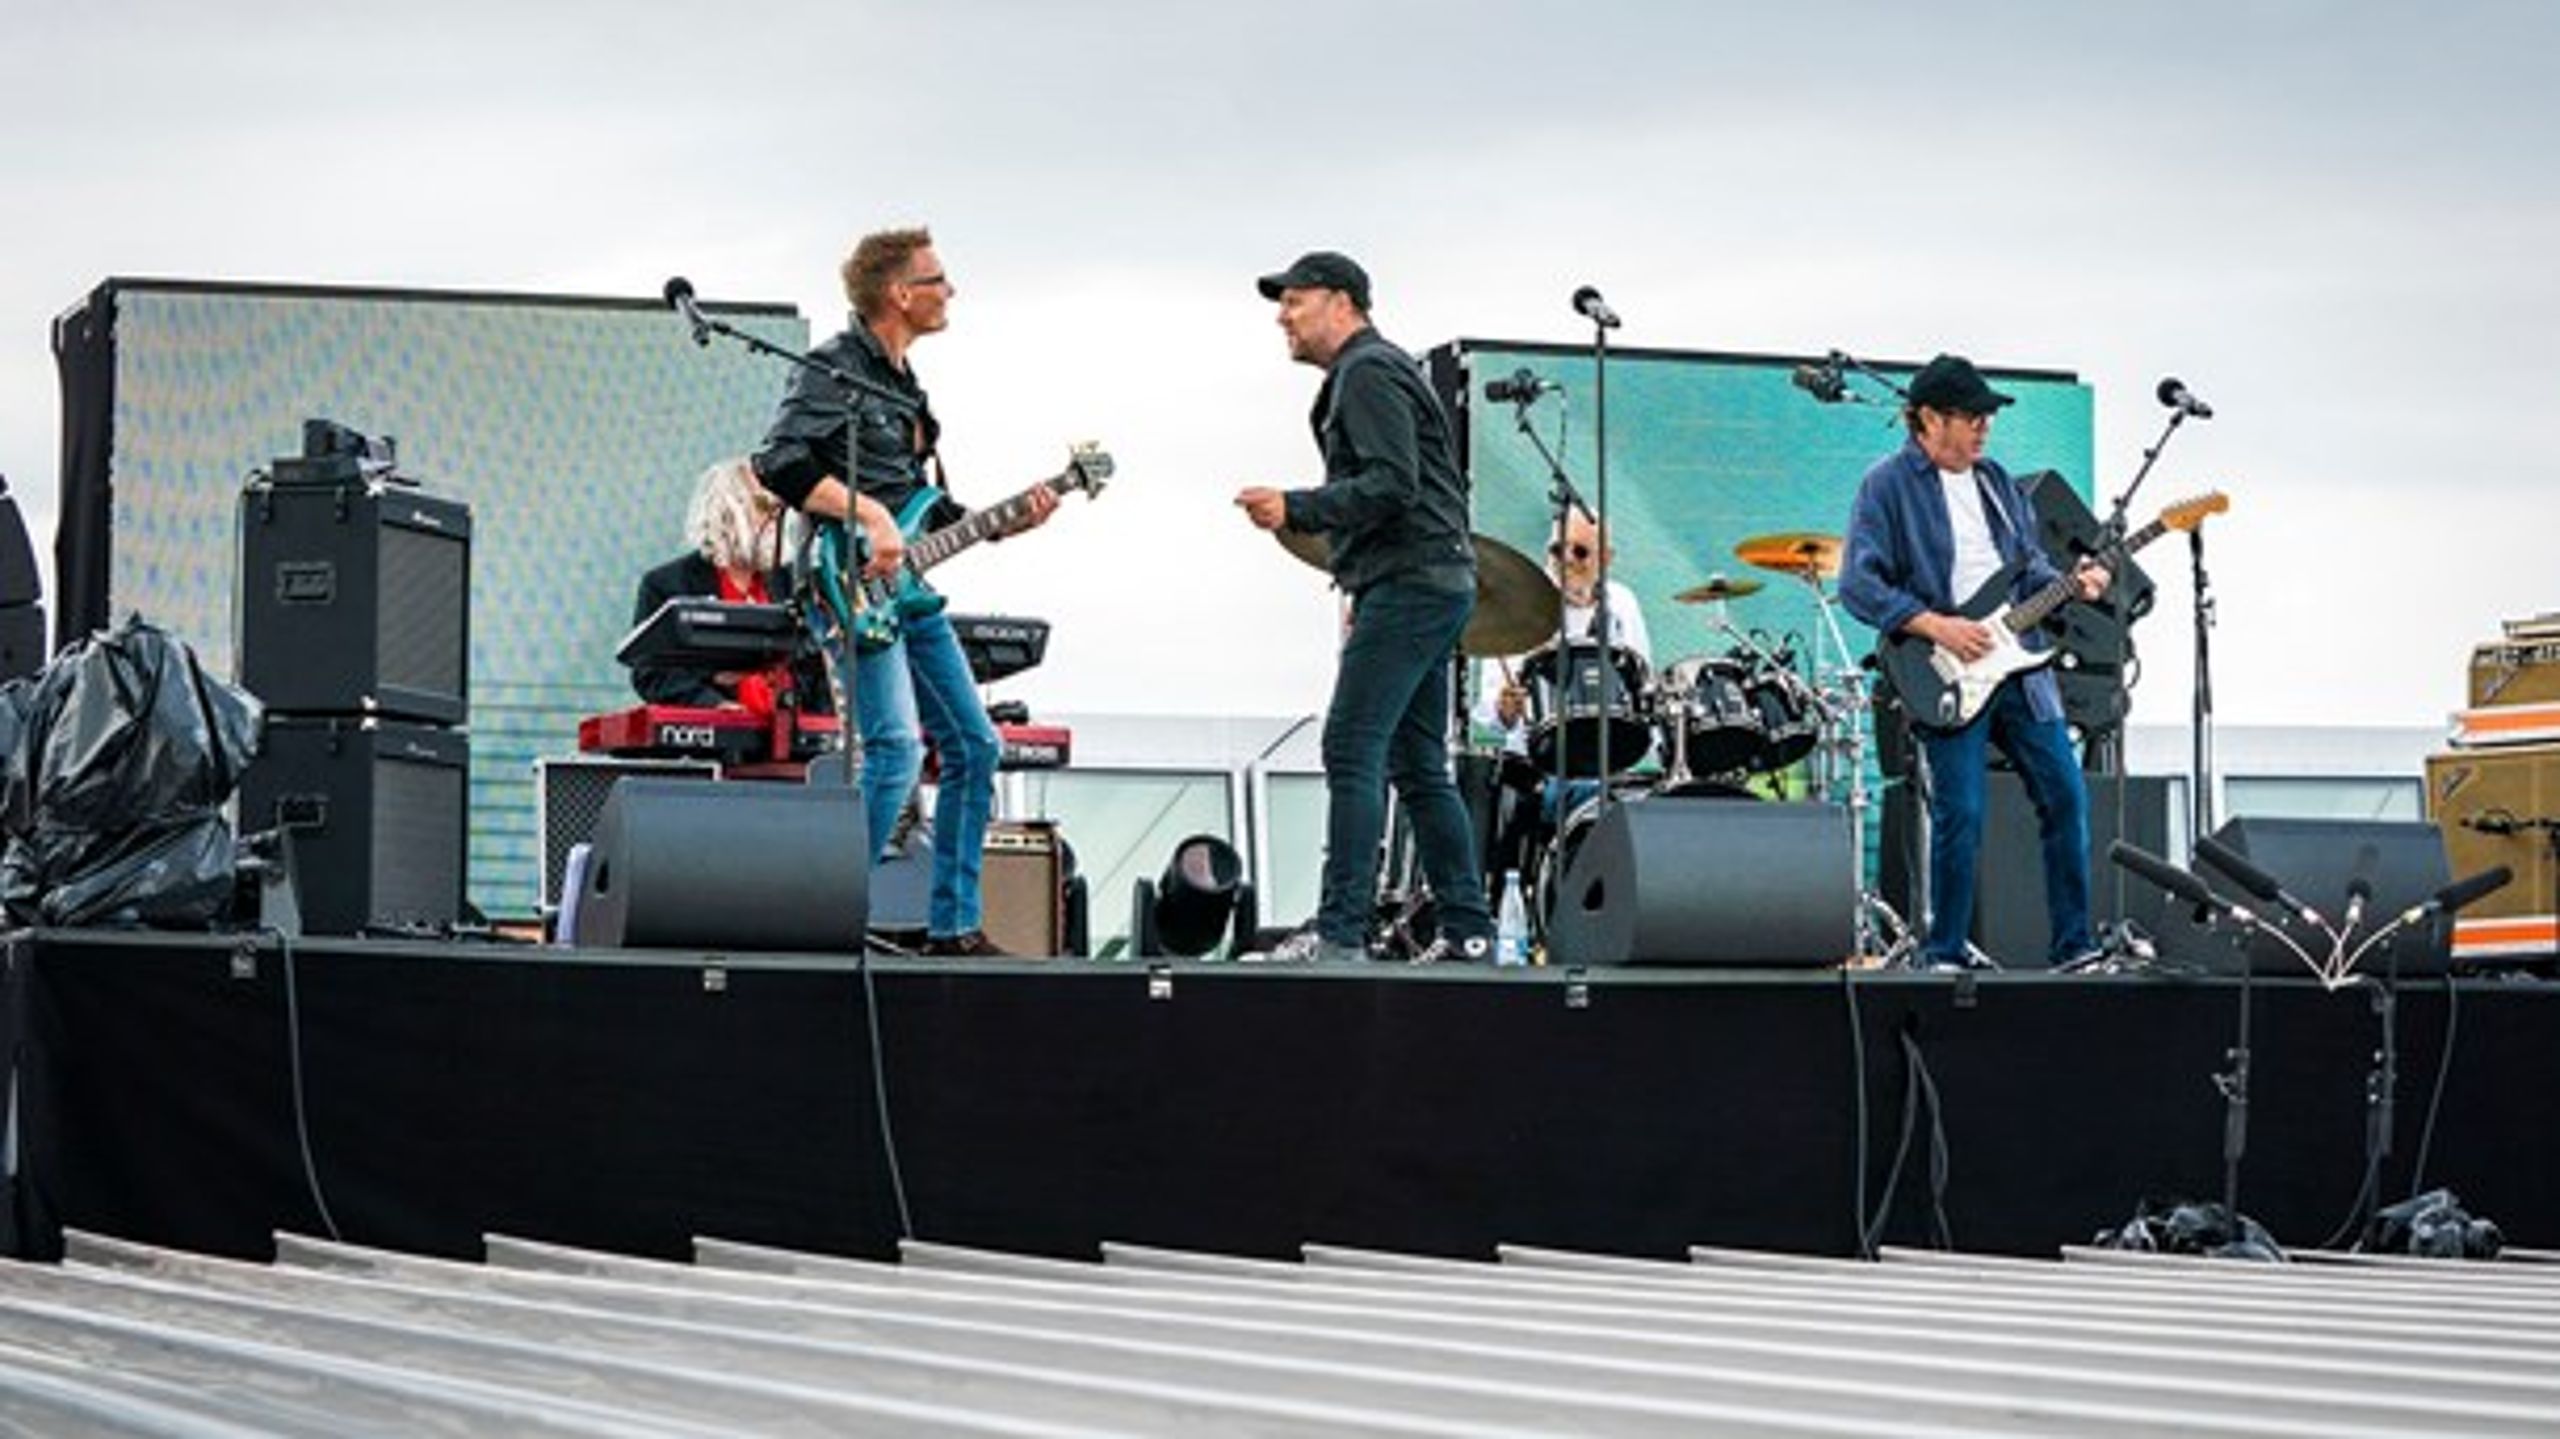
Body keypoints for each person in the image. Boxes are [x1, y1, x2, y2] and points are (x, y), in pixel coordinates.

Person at [751, 226, 1057, 957]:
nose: (951, 291)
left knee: (976, 747)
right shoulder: (832, 366)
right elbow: (778, 461)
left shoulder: (901, 384)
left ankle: (953, 926)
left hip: (908, 589)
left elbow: (930, 510)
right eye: (939, 279)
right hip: (847, 579)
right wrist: (871, 514)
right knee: (892, 747)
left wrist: (1011, 520)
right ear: (900, 293)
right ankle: (820, 921)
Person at [1235, 250, 1494, 964]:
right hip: (1423, 580)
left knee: (1351, 745)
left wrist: (1299, 505)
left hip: (1414, 581)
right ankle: (1470, 929)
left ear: (1342, 303)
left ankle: (1340, 929)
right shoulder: (1374, 372)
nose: (1283, 316)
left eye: (1294, 300)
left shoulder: (1368, 372)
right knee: (1417, 760)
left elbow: (1392, 483)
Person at [1840, 353, 2110, 970]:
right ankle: (1945, 949)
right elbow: (1859, 583)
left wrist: (2076, 581)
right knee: (1961, 811)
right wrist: (1938, 626)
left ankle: (2075, 946)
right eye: (1971, 416)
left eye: (1987, 416)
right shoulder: (1886, 484)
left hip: (2021, 667)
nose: (1984, 427)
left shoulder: (1997, 483)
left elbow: (2029, 568)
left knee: (2066, 797)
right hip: (1945, 668)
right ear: (1928, 419)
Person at [1472, 504, 1651, 823]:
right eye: (1557, 550)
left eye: (1580, 552)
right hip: (1537, 763)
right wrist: (1505, 710)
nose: (1566, 559)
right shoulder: (1523, 605)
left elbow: (1642, 683)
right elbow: (1489, 712)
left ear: (1606, 559)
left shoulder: (1622, 603)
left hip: (1610, 758)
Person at [629, 457, 832, 717]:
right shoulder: (667, 584)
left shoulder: (794, 582)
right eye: (763, 505)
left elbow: (821, 665)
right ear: (726, 512)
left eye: (779, 507)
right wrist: (713, 705)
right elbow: (652, 673)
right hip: (714, 741)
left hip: (793, 737)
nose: (775, 518)